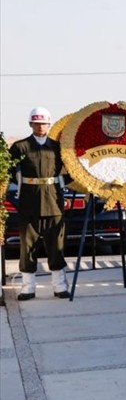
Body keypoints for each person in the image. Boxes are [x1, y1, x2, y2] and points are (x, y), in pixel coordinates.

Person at [8, 107, 68, 300]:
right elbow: (8, 171)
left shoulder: (58, 147)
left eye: (43, 123)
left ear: (49, 124)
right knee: (27, 246)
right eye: (36, 123)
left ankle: (59, 286)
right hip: (29, 201)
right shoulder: (20, 146)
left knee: (56, 245)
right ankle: (28, 288)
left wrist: (62, 188)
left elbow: (70, 171)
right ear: (31, 124)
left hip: (53, 201)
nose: (40, 126)